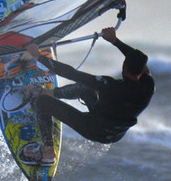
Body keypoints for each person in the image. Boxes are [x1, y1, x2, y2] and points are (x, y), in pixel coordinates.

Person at [25, 26, 154, 145]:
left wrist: (39, 57)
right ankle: (48, 92)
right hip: (115, 132)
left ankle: (47, 150)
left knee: (43, 102)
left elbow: (72, 74)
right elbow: (138, 60)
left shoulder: (110, 86)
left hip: (94, 129)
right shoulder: (148, 86)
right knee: (85, 88)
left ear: (124, 66)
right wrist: (115, 41)